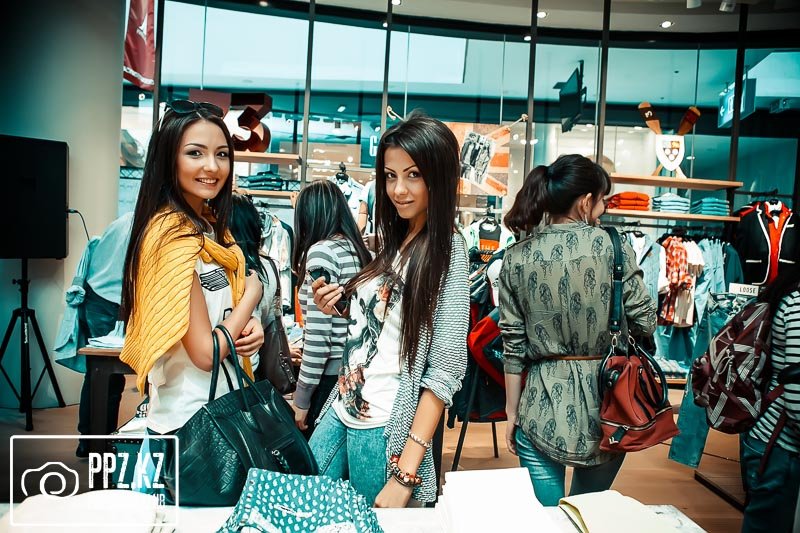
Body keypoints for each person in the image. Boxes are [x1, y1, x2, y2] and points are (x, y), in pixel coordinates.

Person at [310, 111, 469, 507]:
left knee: (368, 523)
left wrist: (406, 471)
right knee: (307, 508)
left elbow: (447, 368)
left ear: (439, 177)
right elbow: (387, 324)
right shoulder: (398, 240)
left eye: (414, 175)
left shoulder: (448, 249)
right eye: (390, 175)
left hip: (382, 424)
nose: (399, 189)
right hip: (344, 404)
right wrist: (341, 305)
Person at [498, 154, 656, 506]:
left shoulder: (516, 257)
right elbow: (646, 320)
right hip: (609, 406)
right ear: (586, 202)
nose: (602, 209)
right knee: (588, 515)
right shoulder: (615, 247)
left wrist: (511, 414)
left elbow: (513, 347)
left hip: (539, 405)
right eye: (601, 200)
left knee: (545, 522)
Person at [119, 100, 265, 440]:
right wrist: (251, 297)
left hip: (221, 408)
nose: (212, 166)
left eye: (222, 154)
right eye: (195, 153)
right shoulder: (172, 239)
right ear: (169, 159)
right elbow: (205, 353)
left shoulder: (210, 230)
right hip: (189, 422)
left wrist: (250, 326)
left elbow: (217, 317)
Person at [291, 180, 372, 438]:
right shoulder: (360, 252)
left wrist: (302, 398)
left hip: (329, 380)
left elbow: (319, 337)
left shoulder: (321, 252)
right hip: (358, 372)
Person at [741, 243, 800, 533]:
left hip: (771, 440)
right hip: (780, 447)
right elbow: (797, 395)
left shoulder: (790, 294)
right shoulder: (798, 304)